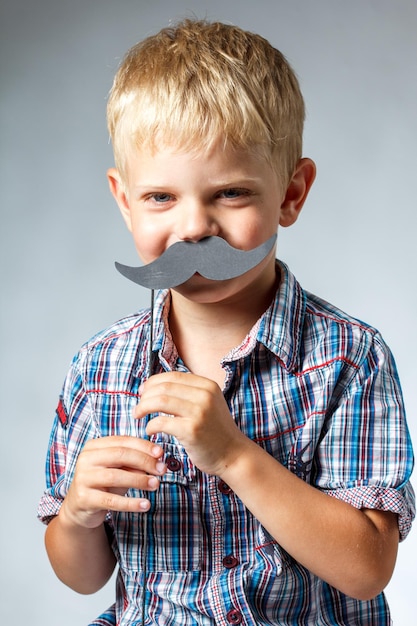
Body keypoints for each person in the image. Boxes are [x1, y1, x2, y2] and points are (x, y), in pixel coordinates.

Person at [38, 19, 415, 626]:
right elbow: (82, 577)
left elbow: (367, 568)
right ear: (123, 199)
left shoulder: (350, 358)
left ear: (291, 193)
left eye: (231, 194)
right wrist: (79, 514)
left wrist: (233, 455)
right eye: (161, 197)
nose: (193, 229)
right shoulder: (98, 368)